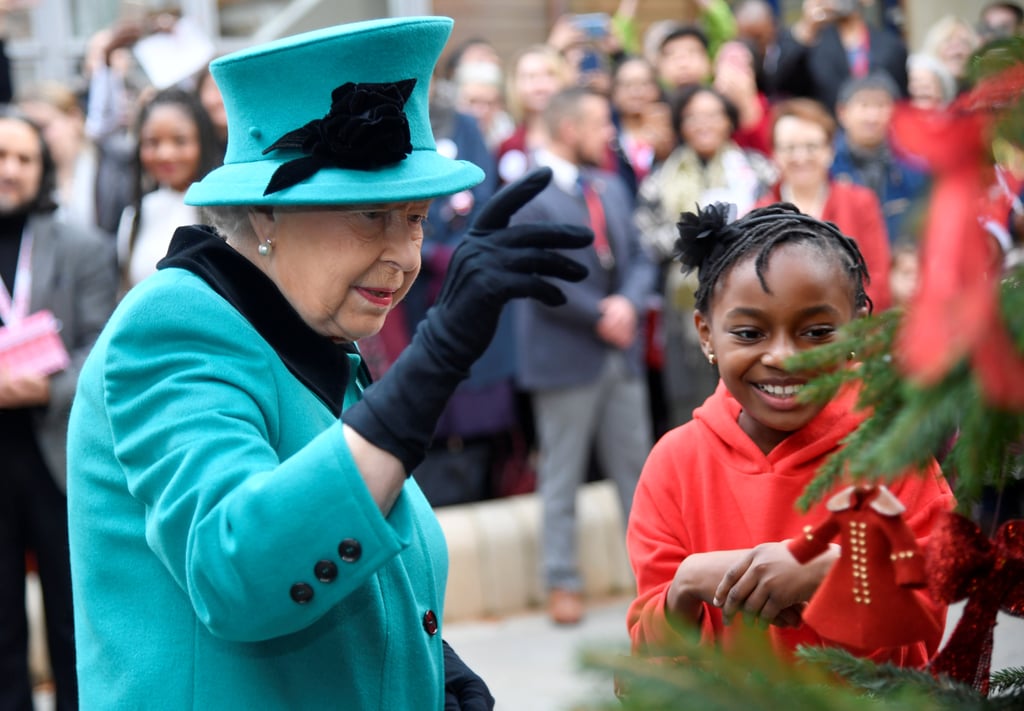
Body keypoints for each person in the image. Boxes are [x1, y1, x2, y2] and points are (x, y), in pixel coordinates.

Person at [65, 17, 591, 710]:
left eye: (415, 217)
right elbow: (239, 572)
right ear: (266, 216)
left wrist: (431, 667)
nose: (405, 255)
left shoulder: (305, 331)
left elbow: (357, 560)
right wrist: (432, 362)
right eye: (371, 216)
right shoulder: (173, 327)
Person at [626, 202, 955, 666]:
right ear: (705, 335)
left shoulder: (893, 451)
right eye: (748, 333)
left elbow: (930, 612)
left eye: (817, 332)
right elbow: (648, 659)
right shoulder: (674, 463)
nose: (783, 357)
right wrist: (686, 584)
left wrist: (830, 569)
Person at [513, 86, 657, 625]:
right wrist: (600, 313)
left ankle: (653, 579)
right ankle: (561, 581)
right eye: (600, 123)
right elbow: (537, 273)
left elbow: (640, 257)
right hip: (566, 354)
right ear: (569, 130)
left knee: (637, 474)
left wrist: (628, 302)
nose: (610, 133)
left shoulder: (610, 185)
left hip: (621, 355)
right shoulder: (530, 191)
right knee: (562, 475)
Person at [0, 108, 118, 711]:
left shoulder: (83, 247)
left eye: (23, 158)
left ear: (42, 168)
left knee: (76, 619)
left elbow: (102, 348)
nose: (9, 170)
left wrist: (45, 388)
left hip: (62, 454)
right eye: (0, 157)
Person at [635, 84, 775, 429]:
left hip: (751, 294)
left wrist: (719, 234)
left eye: (713, 115)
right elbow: (647, 236)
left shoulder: (757, 170)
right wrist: (698, 236)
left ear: (729, 121)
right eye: (694, 117)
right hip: (683, 304)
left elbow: (772, 224)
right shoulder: (660, 178)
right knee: (689, 400)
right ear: (681, 124)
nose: (704, 124)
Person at [756, 97, 892, 310]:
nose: (801, 157)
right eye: (789, 148)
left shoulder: (860, 202)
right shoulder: (759, 213)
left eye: (811, 147)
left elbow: (877, 278)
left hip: (851, 332)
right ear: (774, 154)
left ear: (830, 150)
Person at [117, 86, 221, 289]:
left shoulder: (227, 213)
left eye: (180, 141)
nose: (165, 154)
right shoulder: (135, 214)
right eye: (152, 142)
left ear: (202, 141)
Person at [830, 72, 931, 244]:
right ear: (842, 112)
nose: (872, 117)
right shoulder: (826, 162)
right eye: (864, 105)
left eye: (881, 106)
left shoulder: (914, 165)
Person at [775, 0, 908, 113]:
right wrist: (807, 29)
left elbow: (902, 103)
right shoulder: (812, 42)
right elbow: (780, 87)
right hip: (827, 134)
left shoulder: (890, 46)